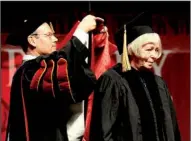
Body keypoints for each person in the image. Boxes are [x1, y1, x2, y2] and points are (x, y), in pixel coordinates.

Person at [5, 14, 104, 141]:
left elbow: (75, 84)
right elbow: (63, 65)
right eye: (48, 35)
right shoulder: (29, 72)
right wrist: (82, 31)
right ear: (32, 40)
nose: (55, 39)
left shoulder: (31, 70)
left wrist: (92, 40)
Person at [89, 13, 181, 141]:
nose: (155, 55)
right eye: (149, 49)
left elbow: (173, 130)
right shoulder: (113, 80)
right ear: (132, 49)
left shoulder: (159, 84)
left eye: (156, 50)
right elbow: (104, 132)